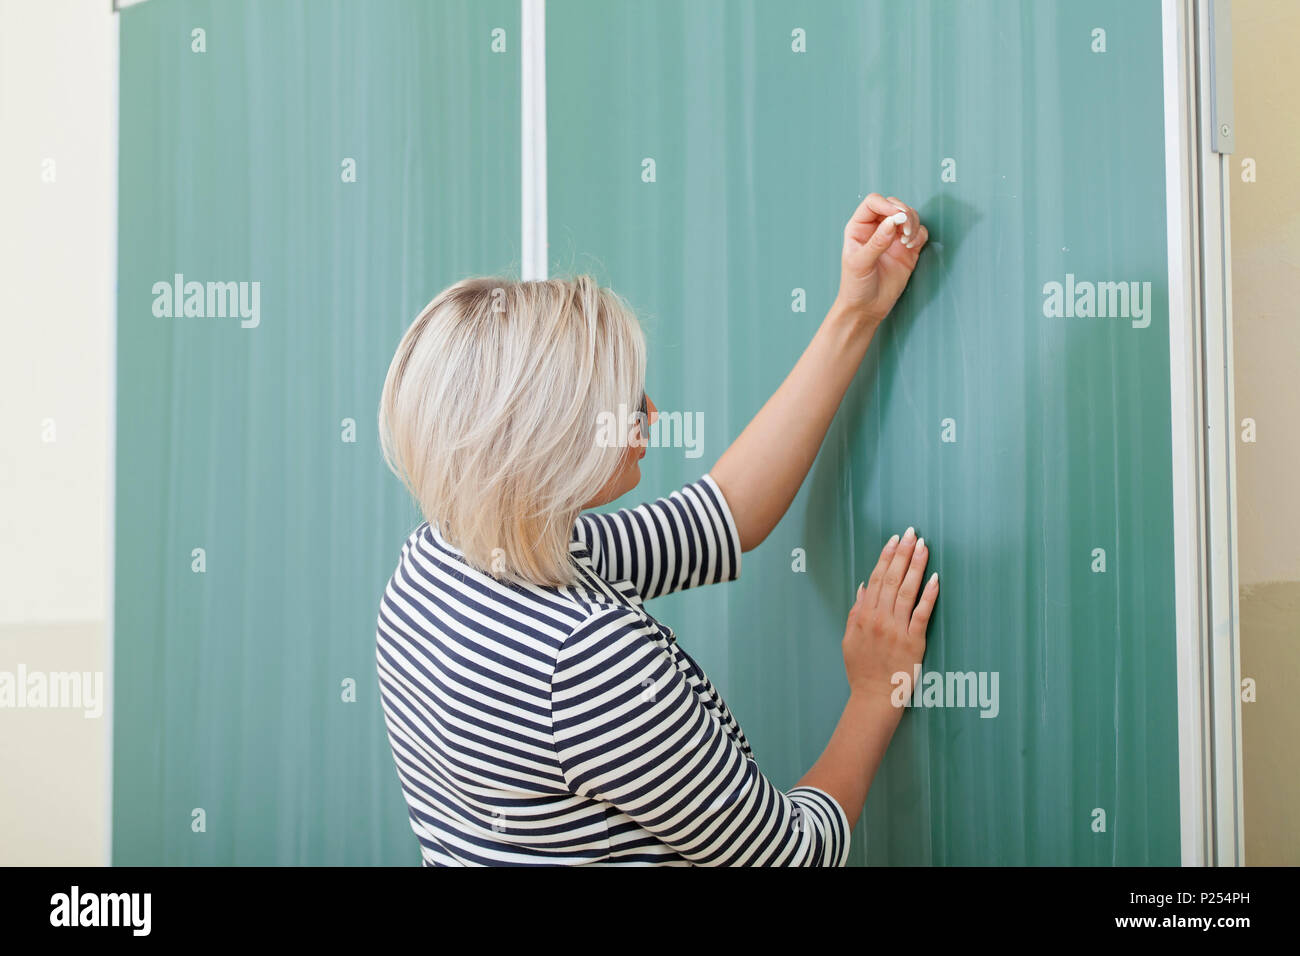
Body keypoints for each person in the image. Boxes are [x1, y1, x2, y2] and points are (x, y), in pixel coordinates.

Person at [375, 193, 935, 865]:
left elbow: (721, 517)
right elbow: (790, 858)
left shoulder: (447, 559)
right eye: (625, 402)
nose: (652, 414)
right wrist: (877, 694)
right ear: (552, 441)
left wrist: (856, 312)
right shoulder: (586, 661)